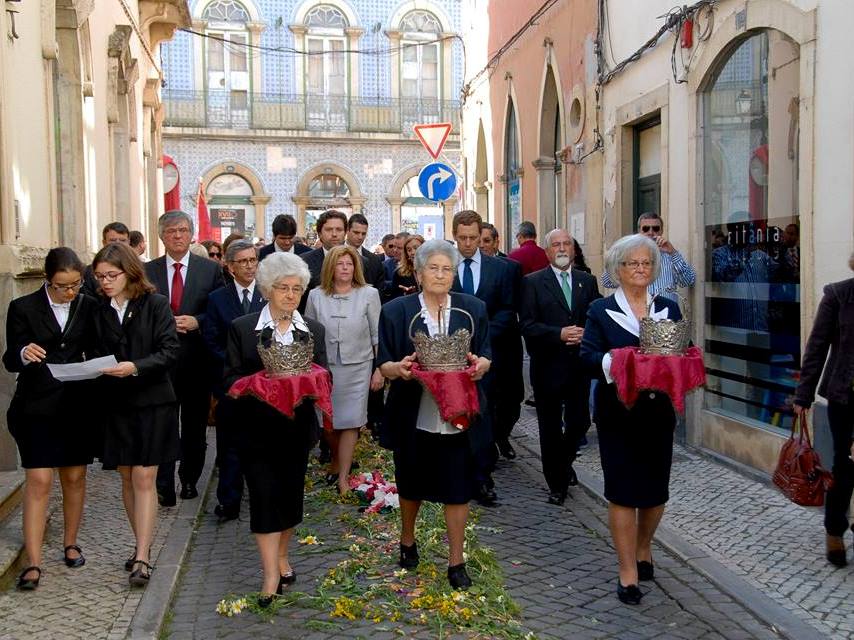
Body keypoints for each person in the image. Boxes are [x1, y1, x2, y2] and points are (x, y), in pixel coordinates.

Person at [377, 239, 491, 590]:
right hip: (414, 412)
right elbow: (384, 361)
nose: (440, 275)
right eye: (433, 268)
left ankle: (457, 560)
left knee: (458, 488)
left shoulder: (473, 309)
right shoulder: (397, 311)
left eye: (447, 269)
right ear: (419, 271)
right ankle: (407, 539)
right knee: (411, 484)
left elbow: (485, 351)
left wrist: (484, 364)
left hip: (460, 416)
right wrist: (398, 368)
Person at [580, 234, 682, 605]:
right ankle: (627, 571)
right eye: (632, 264)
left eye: (647, 264)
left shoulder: (668, 308)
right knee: (623, 492)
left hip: (657, 414)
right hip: (618, 415)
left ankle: (644, 546)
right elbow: (588, 359)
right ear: (617, 270)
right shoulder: (601, 311)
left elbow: (680, 353)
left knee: (656, 493)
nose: (641, 270)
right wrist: (622, 362)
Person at [223, 252, 328, 607]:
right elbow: (229, 379)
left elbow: (324, 377)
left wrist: (306, 386)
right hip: (256, 430)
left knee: (289, 500)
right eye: (283, 288)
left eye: (297, 289)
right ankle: (269, 574)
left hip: (296, 429)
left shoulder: (313, 330)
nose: (289, 295)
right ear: (268, 289)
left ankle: (283, 555)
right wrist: (261, 384)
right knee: (264, 499)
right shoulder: (243, 328)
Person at [3, 248, 97, 590]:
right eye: (62, 286)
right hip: (36, 407)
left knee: (74, 477)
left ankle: (70, 542)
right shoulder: (22, 307)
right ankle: (33, 559)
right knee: (39, 480)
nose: (70, 292)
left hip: (76, 406)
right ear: (47, 280)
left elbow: (98, 348)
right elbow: (9, 359)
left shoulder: (88, 305)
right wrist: (23, 353)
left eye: (75, 284)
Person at [90, 243, 181, 587]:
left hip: (153, 401)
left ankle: (143, 555)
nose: (106, 282)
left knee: (145, 477)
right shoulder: (97, 308)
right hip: (116, 404)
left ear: (129, 272)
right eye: (100, 277)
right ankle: (138, 542)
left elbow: (170, 351)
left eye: (111, 275)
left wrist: (136, 367)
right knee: (127, 476)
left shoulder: (155, 304)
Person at [145, 210, 223, 506]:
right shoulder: (148, 271)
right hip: (160, 362)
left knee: (193, 425)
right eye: (170, 231)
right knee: (163, 424)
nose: (177, 236)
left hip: (196, 360)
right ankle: (163, 482)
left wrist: (198, 321)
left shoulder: (209, 270)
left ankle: (189, 478)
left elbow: (218, 312)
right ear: (161, 236)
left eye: (182, 230)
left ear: (191, 234)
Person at [520, 229, 601, 505]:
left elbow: (597, 317)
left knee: (580, 422)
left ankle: (563, 465)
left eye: (567, 243)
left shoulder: (587, 281)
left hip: (579, 366)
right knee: (550, 427)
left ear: (574, 249)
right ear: (547, 251)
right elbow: (527, 325)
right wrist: (559, 334)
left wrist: (586, 333)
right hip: (547, 366)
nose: (562, 248)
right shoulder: (532, 283)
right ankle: (556, 483)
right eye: (556, 244)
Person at [451, 210, 523, 503]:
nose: (468, 244)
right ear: (455, 236)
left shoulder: (502, 269)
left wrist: (482, 337)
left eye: (473, 238)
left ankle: (483, 476)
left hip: (491, 353)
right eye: (462, 238)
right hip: (453, 356)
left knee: (487, 415)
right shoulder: (444, 267)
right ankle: (460, 473)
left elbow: (509, 309)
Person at [304, 246, 383, 495]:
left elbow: (376, 334)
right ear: (331, 268)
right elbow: (308, 333)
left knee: (351, 421)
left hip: (359, 365)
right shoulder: (316, 296)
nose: (346, 268)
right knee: (328, 422)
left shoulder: (369, 294)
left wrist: (379, 369)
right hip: (325, 368)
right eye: (340, 264)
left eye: (350, 263)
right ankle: (336, 460)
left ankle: (344, 476)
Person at [793, 252, 854, 567]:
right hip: (846, 397)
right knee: (845, 469)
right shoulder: (839, 294)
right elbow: (816, 346)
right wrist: (803, 395)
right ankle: (834, 531)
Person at [202, 240, 266, 522]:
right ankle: (229, 501)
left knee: (261, 444)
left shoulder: (268, 293)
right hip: (230, 383)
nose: (250, 266)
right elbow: (212, 339)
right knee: (229, 445)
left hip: (264, 384)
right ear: (229, 267)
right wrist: (235, 369)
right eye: (243, 261)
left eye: (253, 260)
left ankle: (261, 496)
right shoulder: (217, 298)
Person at [602, 213, 695, 302]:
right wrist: (619, 258)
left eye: (656, 228)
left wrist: (673, 253)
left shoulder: (671, 257)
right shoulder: (627, 257)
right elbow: (607, 282)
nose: (651, 232)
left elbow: (688, 281)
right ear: (639, 231)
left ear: (661, 231)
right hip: (635, 313)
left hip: (663, 314)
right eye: (646, 229)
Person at [82, 222, 131, 296]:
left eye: (122, 240)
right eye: (113, 240)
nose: (118, 244)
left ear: (128, 242)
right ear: (104, 242)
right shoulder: (90, 273)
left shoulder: (142, 269)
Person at [346, 213, 386, 290]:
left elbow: (379, 289)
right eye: (356, 232)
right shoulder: (333, 254)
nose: (360, 237)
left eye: (363, 234)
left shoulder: (374, 260)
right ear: (347, 230)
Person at [390, 235, 425, 299]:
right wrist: (406, 294)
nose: (412, 252)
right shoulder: (400, 272)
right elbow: (394, 299)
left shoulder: (434, 270)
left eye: (416, 248)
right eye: (409, 250)